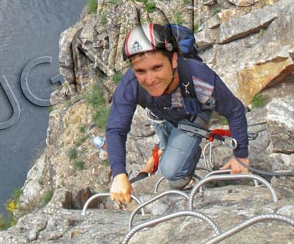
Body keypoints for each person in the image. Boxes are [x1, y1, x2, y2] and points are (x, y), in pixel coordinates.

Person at [105, 23, 250, 204]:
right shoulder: (130, 84)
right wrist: (119, 174)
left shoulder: (199, 78)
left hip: (192, 112)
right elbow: (115, 129)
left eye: (157, 68)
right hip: (162, 115)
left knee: (172, 172)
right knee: (166, 142)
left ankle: (187, 152)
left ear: (174, 60)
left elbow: (234, 110)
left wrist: (240, 155)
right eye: (140, 71)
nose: (149, 79)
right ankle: (170, 146)